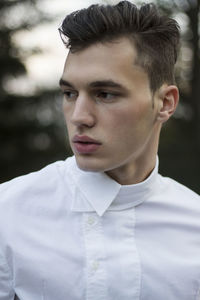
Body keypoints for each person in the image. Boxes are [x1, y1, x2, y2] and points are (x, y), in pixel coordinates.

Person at [0, 1, 200, 299]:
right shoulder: (8, 213)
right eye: (69, 93)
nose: (79, 116)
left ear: (166, 103)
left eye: (105, 94)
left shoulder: (194, 226)